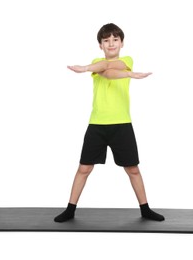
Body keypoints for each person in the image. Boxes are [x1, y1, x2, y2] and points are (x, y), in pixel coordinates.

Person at [54, 23, 163, 222]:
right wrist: (90, 67)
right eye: (106, 40)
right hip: (97, 124)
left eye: (115, 40)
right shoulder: (97, 62)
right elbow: (105, 69)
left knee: (133, 169)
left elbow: (113, 70)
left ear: (122, 43)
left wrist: (125, 72)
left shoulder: (127, 60)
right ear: (100, 45)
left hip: (122, 124)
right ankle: (70, 209)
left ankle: (145, 209)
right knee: (84, 168)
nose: (111, 43)